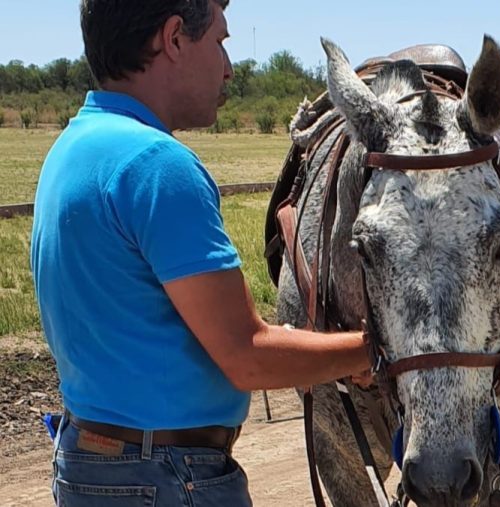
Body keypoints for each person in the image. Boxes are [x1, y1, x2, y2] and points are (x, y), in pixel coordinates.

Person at [30, 1, 369, 505]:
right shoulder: (156, 164)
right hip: (166, 475)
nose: (228, 67)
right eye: (220, 42)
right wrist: (372, 351)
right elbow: (247, 357)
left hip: (88, 463)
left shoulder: (73, 149)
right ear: (172, 39)